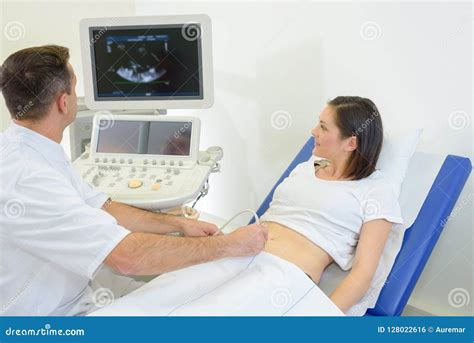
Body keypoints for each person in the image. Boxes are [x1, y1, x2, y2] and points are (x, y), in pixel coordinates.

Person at [0, 45, 268, 316]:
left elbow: (101, 205)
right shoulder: (29, 178)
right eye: (74, 87)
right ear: (64, 102)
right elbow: (129, 258)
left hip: (68, 295)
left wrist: (178, 224)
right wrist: (229, 245)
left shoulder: (29, 148)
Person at [261, 96, 403, 313]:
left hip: (280, 278)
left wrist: (324, 317)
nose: (313, 131)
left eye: (323, 127)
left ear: (351, 143)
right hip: (237, 255)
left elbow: (363, 273)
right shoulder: (306, 167)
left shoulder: (376, 190)